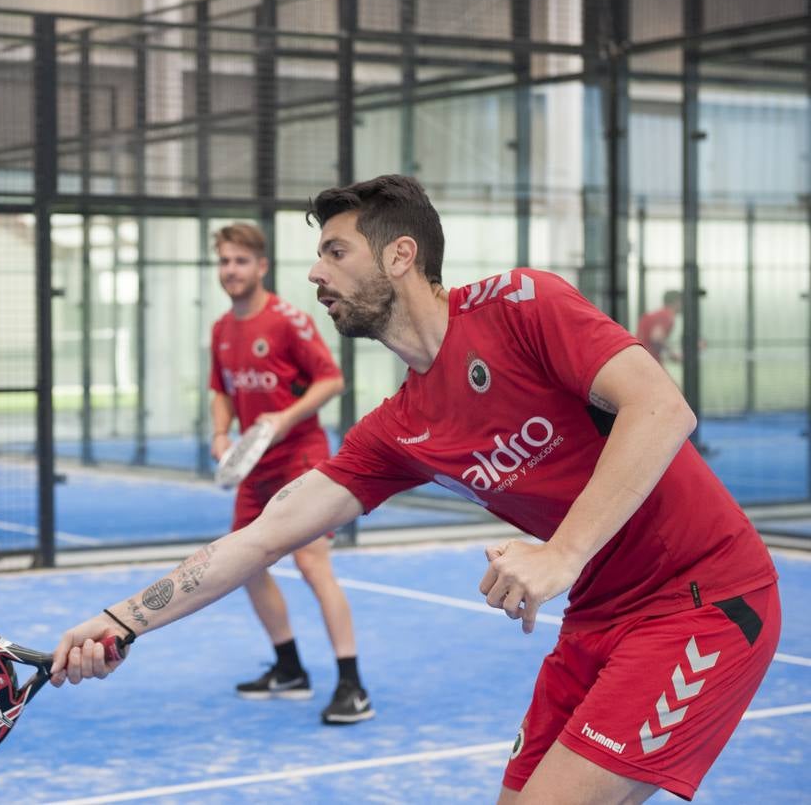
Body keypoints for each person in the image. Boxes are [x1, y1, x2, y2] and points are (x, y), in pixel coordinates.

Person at [51, 175, 779, 804]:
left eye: (335, 252)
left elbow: (662, 408)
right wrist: (121, 621)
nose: (315, 273)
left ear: (402, 255)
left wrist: (563, 552)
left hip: (706, 600)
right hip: (597, 619)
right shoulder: (399, 427)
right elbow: (264, 535)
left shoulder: (522, 305)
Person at [208, 222, 371, 724]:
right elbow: (221, 390)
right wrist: (220, 435)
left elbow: (332, 380)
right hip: (255, 468)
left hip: (301, 457)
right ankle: (289, 668)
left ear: (261, 267)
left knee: (312, 564)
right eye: (224, 262)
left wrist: (283, 417)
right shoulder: (220, 329)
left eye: (240, 261)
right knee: (244, 565)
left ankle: (352, 684)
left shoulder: (288, 321)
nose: (230, 270)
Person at [637, 290, 682, 363]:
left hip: (643, 357)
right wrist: (673, 355)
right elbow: (657, 338)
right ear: (677, 302)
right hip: (649, 359)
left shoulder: (659, 314)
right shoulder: (667, 316)